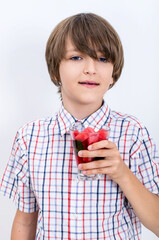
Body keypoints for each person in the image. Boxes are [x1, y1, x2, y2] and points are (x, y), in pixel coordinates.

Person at [0, 13, 159, 240]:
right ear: (56, 70)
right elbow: (25, 222)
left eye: (103, 59)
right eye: (76, 58)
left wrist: (122, 173)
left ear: (113, 74)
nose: (91, 69)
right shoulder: (29, 138)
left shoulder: (133, 133)